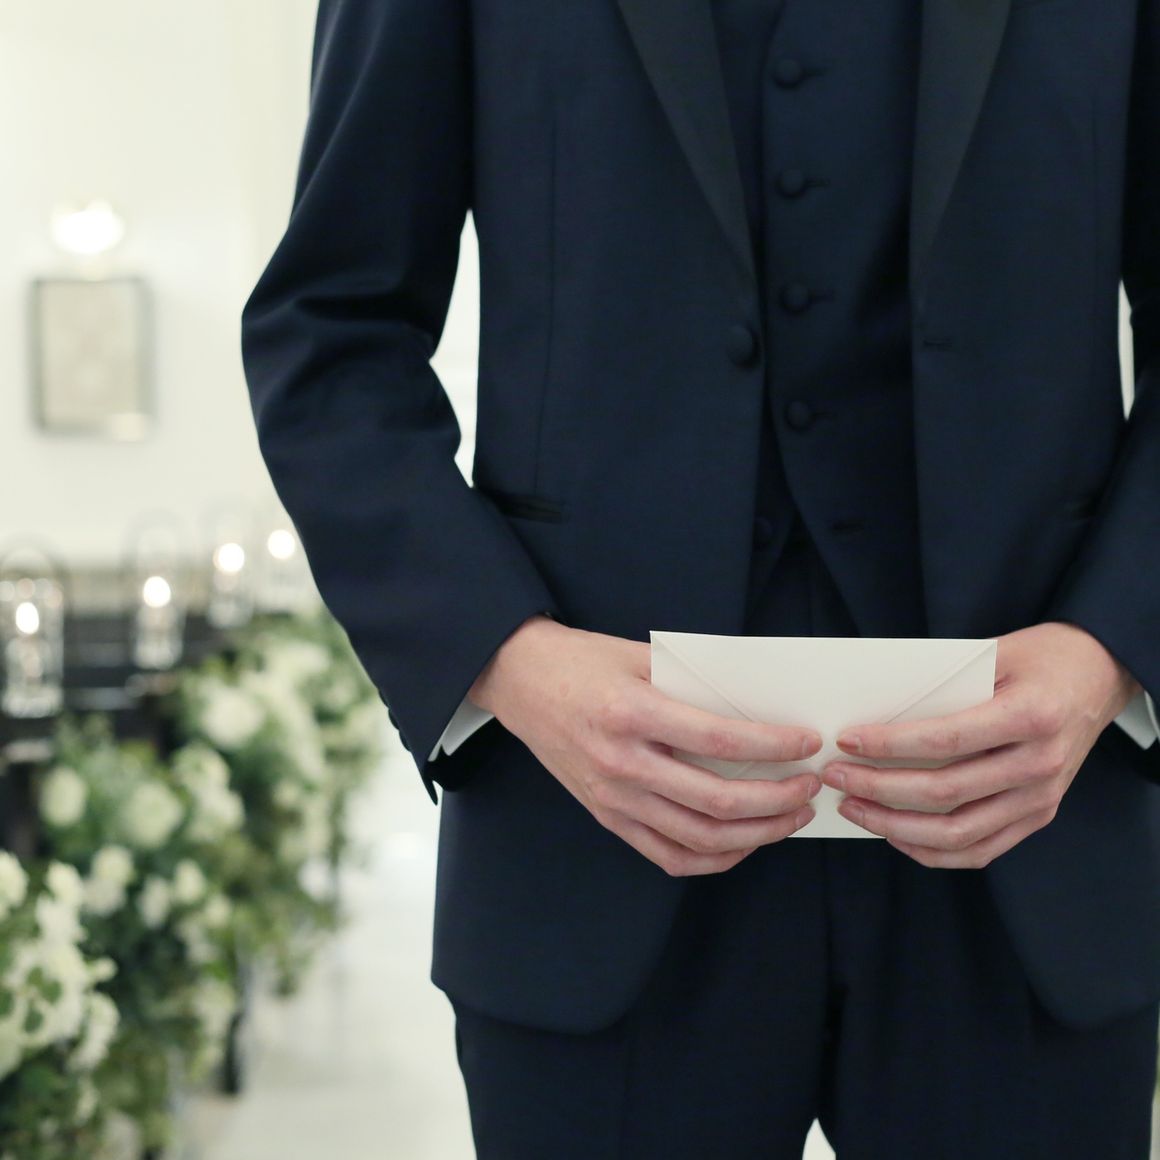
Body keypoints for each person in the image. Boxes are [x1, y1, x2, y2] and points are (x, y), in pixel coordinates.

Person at [242, 0, 1160, 1155]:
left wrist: (1109, 647)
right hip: (592, 824)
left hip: (1033, 828)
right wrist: (509, 661)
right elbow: (331, 339)